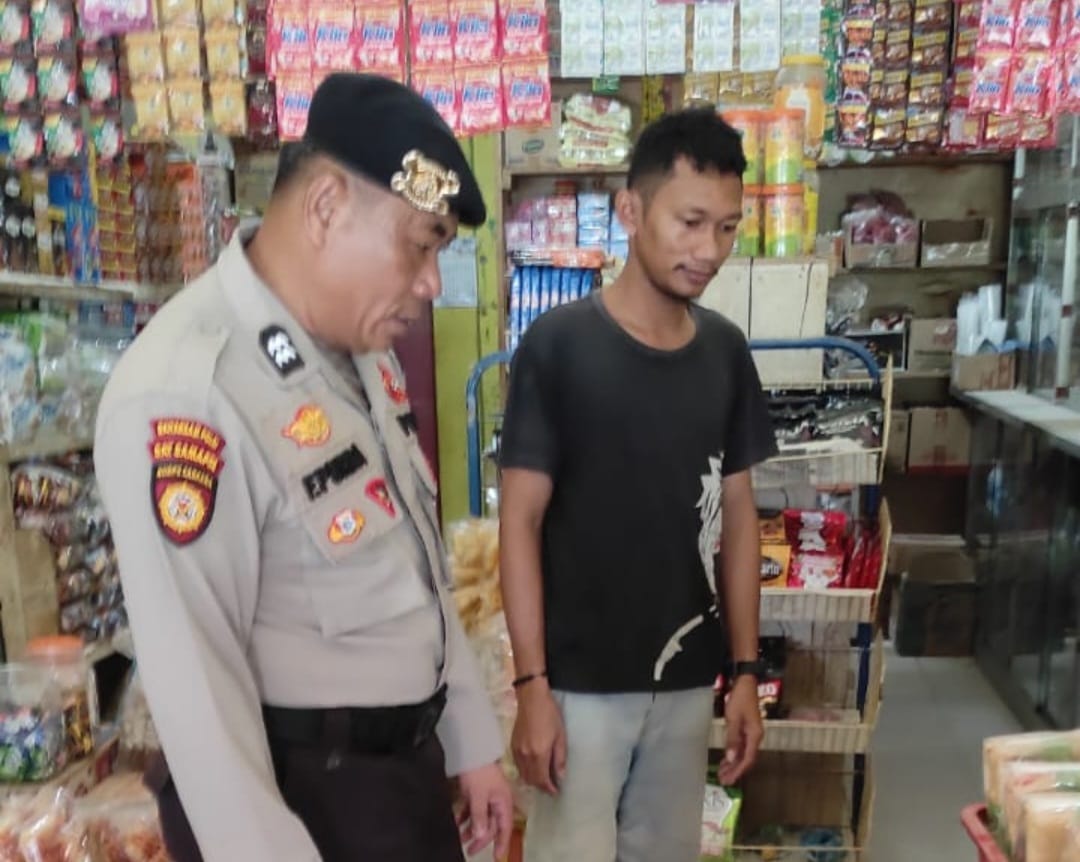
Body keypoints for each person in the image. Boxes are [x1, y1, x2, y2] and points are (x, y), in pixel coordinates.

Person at [93, 73, 512, 862]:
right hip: (303, 804)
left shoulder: (359, 351)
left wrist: (469, 739)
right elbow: (200, 703)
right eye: (420, 244)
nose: (430, 281)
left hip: (399, 782)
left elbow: (417, 568)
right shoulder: (189, 391)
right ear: (325, 208)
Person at [497, 108, 779, 862]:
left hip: (686, 683)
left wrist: (745, 672)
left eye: (726, 227)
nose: (708, 250)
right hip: (577, 689)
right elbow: (518, 523)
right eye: (690, 222)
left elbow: (740, 516)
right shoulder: (557, 347)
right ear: (630, 210)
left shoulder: (725, 353)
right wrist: (531, 687)